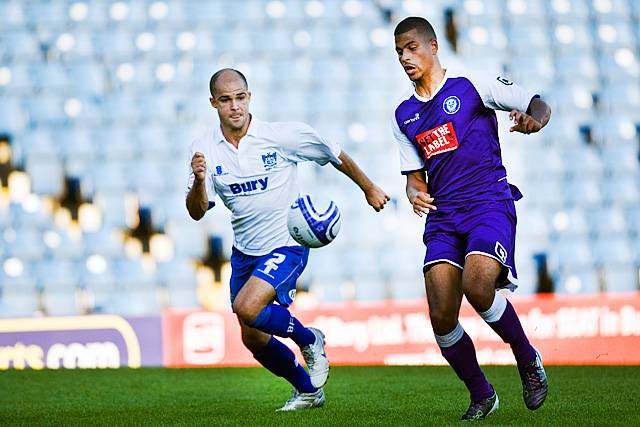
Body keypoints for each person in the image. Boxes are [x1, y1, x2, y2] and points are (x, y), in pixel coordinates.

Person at [186, 68, 390, 411]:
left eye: (240, 97)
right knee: (251, 335)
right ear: (213, 103)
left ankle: (310, 339)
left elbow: (333, 152)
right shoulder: (204, 149)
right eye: (225, 100)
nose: (234, 106)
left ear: (249, 97)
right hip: (244, 252)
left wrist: (369, 188)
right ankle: (308, 391)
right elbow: (196, 211)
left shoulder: (279, 136)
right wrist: (199, 180)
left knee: (247, 307)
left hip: (286, 243)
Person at [391, 17, 551, 421]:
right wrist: (414, 193)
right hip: (444, 217)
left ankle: (526, 357)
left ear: (432, 46)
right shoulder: (404, 115)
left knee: (478, 285)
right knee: (442, 317)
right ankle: (482, 393)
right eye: (399, 52)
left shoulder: (471, 86)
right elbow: (414, 179)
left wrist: (534, 119)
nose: (405, 57)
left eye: (411, 48)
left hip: (487, 204)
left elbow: (536, 102)